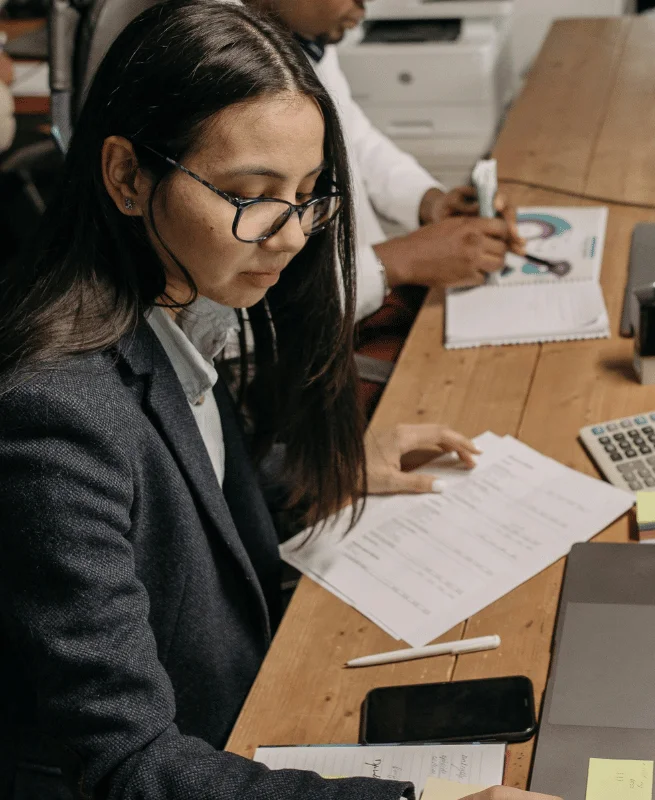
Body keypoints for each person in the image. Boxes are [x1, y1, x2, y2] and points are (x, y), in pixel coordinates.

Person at [0, 3, 549, 799]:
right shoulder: (52, 420)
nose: (292, 236)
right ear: (126, 175)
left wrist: (318, 473)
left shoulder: (179, 301)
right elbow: (130, 766)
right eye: (252, 194)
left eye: (307, 195)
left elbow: (180, 504)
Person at [245, 0, 527, 325]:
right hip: (306, 341)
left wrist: (430, 202)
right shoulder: (212, 64)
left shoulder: (306, 34)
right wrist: (400, 260)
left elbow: (354, 139)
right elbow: (256, 316)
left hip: (363, 299)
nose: (367, 7)